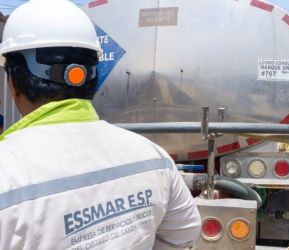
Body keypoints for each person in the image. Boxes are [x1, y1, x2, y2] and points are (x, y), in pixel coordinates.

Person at [0, 0, 201, 249]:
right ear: (93, 78)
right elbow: (183, 234)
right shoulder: (153, 157)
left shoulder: (7, 172)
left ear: (12, 82)